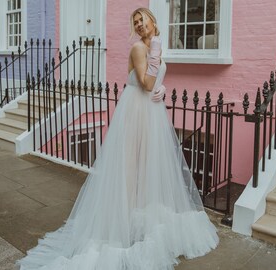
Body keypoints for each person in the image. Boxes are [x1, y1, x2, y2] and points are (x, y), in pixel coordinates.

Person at [17, 7, 218, 270]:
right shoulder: (139, 49)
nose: (139, 25)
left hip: (152, 111)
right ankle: (123, 222)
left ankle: (141, 220)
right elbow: (145, 84)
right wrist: (155, 63)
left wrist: (163, 88)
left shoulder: (154, 46)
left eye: (142, 19)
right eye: (135, 22)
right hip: (136, 109)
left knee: (150, 166)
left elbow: (154, 81)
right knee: (131, 167)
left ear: (152, 20)